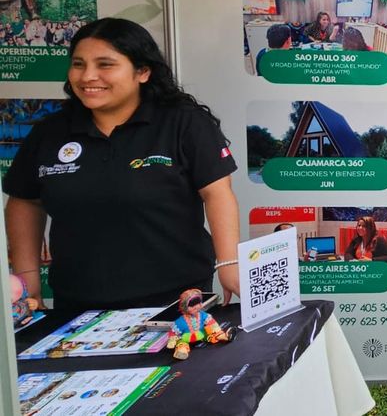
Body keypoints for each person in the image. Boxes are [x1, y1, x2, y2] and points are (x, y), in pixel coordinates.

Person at [3, 18, 240, 315]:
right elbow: (25, 201)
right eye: (78, 64)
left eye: (105, 65)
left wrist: (228, 263)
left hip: (175, 300)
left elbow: (217, 193)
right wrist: (28, 279)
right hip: (77, 306)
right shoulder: (50, 132)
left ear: (142, 72)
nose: (88, 76)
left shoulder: (182, 122)